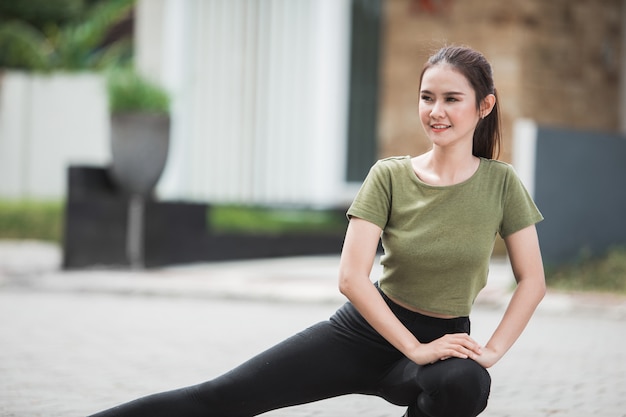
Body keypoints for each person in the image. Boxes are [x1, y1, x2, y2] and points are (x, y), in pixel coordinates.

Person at [88, 45, 545, 417]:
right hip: (362, 334)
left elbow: (533, 280)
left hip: (444, 339)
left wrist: (491, 350)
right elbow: (351, 277)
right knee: (220, 398)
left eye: (451, 99)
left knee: (465, 384)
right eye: (427, 97)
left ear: (484, 106)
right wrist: (413, 347)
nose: (436, 111)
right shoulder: (389, 176)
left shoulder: (501, 184)